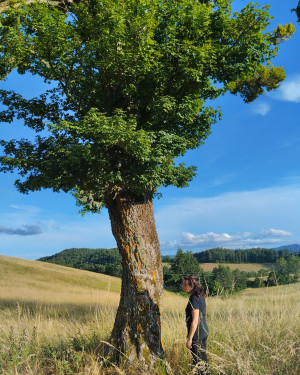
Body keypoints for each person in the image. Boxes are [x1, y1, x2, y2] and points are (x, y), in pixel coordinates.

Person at [182, 275, 209, 375]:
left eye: (184, 284)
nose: (182, 286)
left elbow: (195, 321)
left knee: (199, 363)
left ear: (191, 286)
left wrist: (189, 339)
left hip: (197, 335)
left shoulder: (194, 298)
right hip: (203, 332)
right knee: (203, 361)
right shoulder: (200, 296)